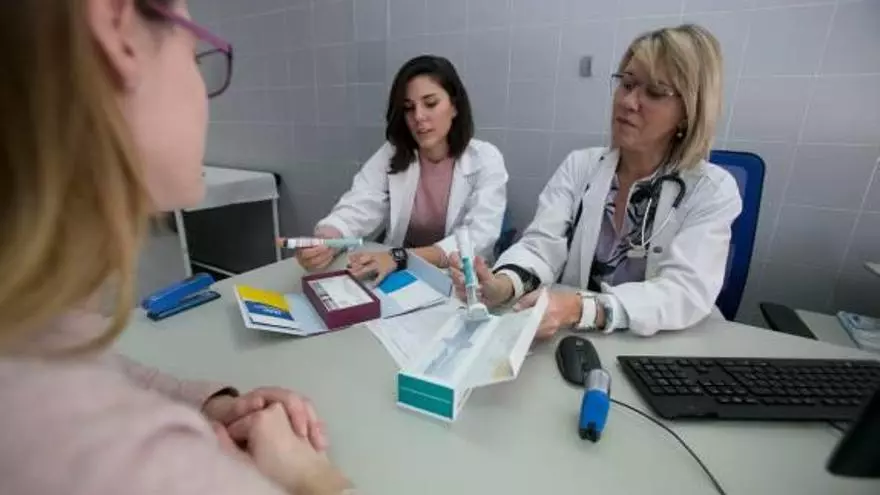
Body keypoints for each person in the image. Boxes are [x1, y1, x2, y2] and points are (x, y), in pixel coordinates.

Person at [0, 1, 351, 494]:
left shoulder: (30, 322)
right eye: (194, 55)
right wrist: (309, 477)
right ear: (116, 29)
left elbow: (98, 361)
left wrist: (214, 406)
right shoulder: (120, 461)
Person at [451, 25, 742, 338]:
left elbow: (683, 291)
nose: (629, 101)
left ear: (689, 110)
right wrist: (502, 285)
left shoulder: (712, 190)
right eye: (627, 84)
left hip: (661, 345)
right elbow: (541, 246)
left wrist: (582, 308)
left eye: (655, 92)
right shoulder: (581, 166)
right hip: (575, 340)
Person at [296, 55, 508, 284]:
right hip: (398, 273)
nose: (418, 117)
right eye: (408, 108)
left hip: (460, 278)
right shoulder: (393, 153)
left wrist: (399, 257)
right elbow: (360, 203)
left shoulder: (486, 159)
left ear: (455, 106)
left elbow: (478, 237)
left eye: (430, 103)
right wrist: (328, 239)